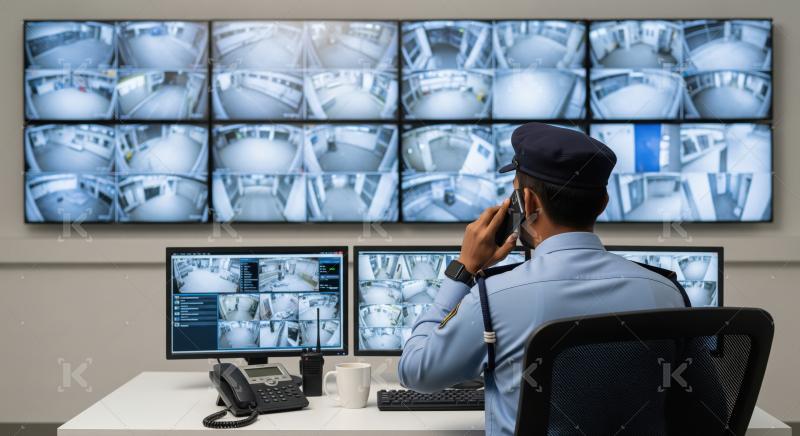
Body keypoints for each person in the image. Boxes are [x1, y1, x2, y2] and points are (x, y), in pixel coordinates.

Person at [397, 123, 688, 436]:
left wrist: (463, 270)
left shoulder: (493, 298)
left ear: (528, 203)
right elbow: (707, 406)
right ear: (603, 203)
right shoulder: (666, 293)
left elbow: (416, 372)